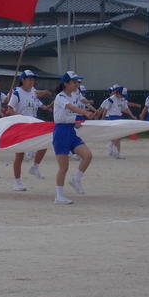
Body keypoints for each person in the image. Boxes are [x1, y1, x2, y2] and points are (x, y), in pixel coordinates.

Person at [52, 71, 94, 204]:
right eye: (74, 82)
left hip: (71, 131)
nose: (77, 84)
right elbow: (70, 108)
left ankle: (76, 180)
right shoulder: (60, 96)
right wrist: (85, 112)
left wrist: (76, 121)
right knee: (63, 167)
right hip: (61, 132)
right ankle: (59, 196)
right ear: (66, 83)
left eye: (77, 82)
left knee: (87, 155)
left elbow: (69, 114)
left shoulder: (74, 95)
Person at [6, 70, 52, 190]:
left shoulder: (33, 91)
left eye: (33, 79)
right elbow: (9, 109)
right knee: (19, 155)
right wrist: (21, 117)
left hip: (33, 124)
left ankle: (35, 167)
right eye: (29, 79)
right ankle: (17, 182)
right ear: (23, 80)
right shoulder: (17, 93)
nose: (32, 82)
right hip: (21, 126)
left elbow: (37, 102)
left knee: (45, 142)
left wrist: (46, 107)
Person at [99, 85, 135, 159]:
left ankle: (115, 150)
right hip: (112, 118)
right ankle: (115, 151)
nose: (122, 96)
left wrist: (132, 116)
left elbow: (126, 109)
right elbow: (105, 110)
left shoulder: (123, 99)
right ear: (118, 93)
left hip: (119, 118)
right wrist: (103, 119)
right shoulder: (111, 99)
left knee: (119, 136)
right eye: (122, 95)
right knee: (117, 136)